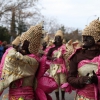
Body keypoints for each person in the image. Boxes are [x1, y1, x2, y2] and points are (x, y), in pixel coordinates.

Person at [0, 23, 43, 100]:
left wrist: (13, 48)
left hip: (24, 96)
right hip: (13, 95)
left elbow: (12, 56)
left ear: (29, 44)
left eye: (23, 42)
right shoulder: (27, 58)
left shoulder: (33, 61)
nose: (21, 45)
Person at [67, 18, 100, 100]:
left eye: (88, 37)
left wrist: (97, 80)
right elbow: (70, 78)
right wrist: (81, 80)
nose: (84, 40)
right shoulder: (77, 55)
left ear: (96, 39)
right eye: (83, 37)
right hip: (82, 97)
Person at [46, 30, 67, 100]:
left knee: (63, 82)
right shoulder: (52, 49)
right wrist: (52, 58)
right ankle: (57, 98)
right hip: (54, 68)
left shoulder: (64, 47)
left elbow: (67, 56)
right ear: (55, 39)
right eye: (56, 38)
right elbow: (47, 56)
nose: (57, 40)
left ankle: (63, 97)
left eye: (59, 38)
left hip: (62, 67)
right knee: (56, 83)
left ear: (61, 39)